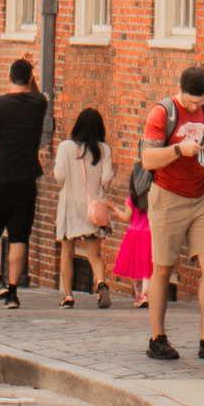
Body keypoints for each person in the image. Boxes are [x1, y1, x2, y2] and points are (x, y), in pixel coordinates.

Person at [138, 63, 204, 363]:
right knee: (164, 268)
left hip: (200, 197)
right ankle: (158, 337)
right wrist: (180, 149)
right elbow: (147, 159)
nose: (196, 105)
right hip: (167, 196)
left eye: (201, 100)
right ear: (180, 90)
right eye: (192, 101)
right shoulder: (163, 113)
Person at [0, 58, 51, 306]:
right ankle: (14, 293)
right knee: (19, 236)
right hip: (26, 182)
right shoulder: (39, 103)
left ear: (9, 77)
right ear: (29, 79)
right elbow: (38, 93)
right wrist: (32, 77)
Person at [50, 105, 114, 303]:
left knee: (67, 253)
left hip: (70, 207)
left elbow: (59, 176)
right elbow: (106, 179)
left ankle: (68, 295)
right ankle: (101, 283)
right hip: (93, 209)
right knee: (94, 255)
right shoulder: (103, 149)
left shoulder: (65, 147)